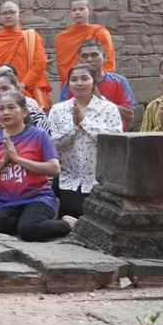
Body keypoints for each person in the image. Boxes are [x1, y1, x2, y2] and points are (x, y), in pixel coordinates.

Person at [0, 90, 68, 241]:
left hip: (37, 198)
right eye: (1, 109)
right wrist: (3, 161)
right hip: (6, 201)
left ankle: (67, 223)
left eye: (11, 107)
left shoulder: (39, 135)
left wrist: (17, 159)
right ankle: (27, 223)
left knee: (29, 231)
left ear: (24, 111)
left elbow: (54, 169)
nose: (6, 112)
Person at [47, 64, 124, 218]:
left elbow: (114, 142)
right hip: (69, 178)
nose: (79, 83)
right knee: (70, 216)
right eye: (74, 79)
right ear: (68, 84)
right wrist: (74, 126)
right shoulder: (58, 110)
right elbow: (53, 144)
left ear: (94, 82)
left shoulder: (108, 109)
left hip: (100, 180)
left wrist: (84, 122)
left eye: (84, 79)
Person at [0, 1, 52, 110]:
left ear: (19, 15)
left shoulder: (31, 37)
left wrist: (22, 85)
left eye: (12, 12)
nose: (8, 16)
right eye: (4, 13)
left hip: (27, 90)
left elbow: (40, 64)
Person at [58, 39, 136, 130]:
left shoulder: (119, 81)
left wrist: (101, 100)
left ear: (105, 56)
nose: (89, 59)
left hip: (113, 134)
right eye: (84, 56)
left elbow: (129, 116)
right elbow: (61, 116)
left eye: (94, 55)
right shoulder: (70, 85)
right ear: (78, 59)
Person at [53, 0, 116, 91]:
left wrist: (103, 82)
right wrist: (71, 83)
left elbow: (108, 60)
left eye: (81, 9)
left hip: (98, 83)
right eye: (74, 10)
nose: (77, 12)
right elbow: (62, 66)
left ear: (89, 10)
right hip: (71, 84)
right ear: (70, 12)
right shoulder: (61, 37)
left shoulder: (99, 32)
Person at [0, 70, 49, 140]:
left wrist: (10, 131)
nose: (1, 93)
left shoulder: (37, 115)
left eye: (5, 88)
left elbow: (45, 142)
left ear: (17, 89)